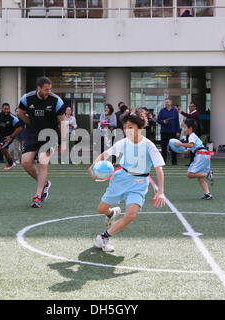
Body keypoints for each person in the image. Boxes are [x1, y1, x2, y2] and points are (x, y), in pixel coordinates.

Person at [89, 112, 166, 253]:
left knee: (131, 214)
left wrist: (160, 191)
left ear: (141, 127)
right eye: (125, 127)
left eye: (130, 127)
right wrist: (93, 166)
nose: (127, 130)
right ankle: (111, 213)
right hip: (121, 179)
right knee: (101, 209)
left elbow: (159, 169)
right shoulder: (123, 143)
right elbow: (105, 154)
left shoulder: (149, 146)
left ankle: (104, 237)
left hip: (139, 183)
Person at [18, 76, 67, 208]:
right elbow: (21, 113)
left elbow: (63, 122)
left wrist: (63, 142)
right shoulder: (26, 98)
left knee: (42, 162)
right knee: (26, 162)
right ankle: (45, 183)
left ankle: (37, 196)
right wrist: (31, 124)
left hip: (49, 135)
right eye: (46, 89)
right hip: (32, 134)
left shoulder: (56, 101)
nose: (48, 92)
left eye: (50, 89)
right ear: (38, 88)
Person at [173, 119, 214, 200]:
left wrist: (179, 144)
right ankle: (208, 194)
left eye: (185, 127)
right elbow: (187, 151)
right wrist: (176, 150)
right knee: (199, 177)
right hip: (206, 155)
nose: (184, 129)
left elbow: (191, 145)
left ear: (190, 128)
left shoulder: (192, 135)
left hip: (201, 155)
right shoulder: (193, 136)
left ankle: (208, 174)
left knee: (189, 174)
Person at [157, 98, 181, 165]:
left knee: (173, 147)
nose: (166, 103)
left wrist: (178, 131)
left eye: (167, 102)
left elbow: (177, 122)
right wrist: (163, 121)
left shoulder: (175, 111)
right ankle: (163, 162)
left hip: (173, 131)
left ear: (171, 103)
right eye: (165, 102)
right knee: (163, 147)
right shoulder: (162, 111)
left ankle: (174, 162)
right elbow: (158, 120)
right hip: (164, 131)